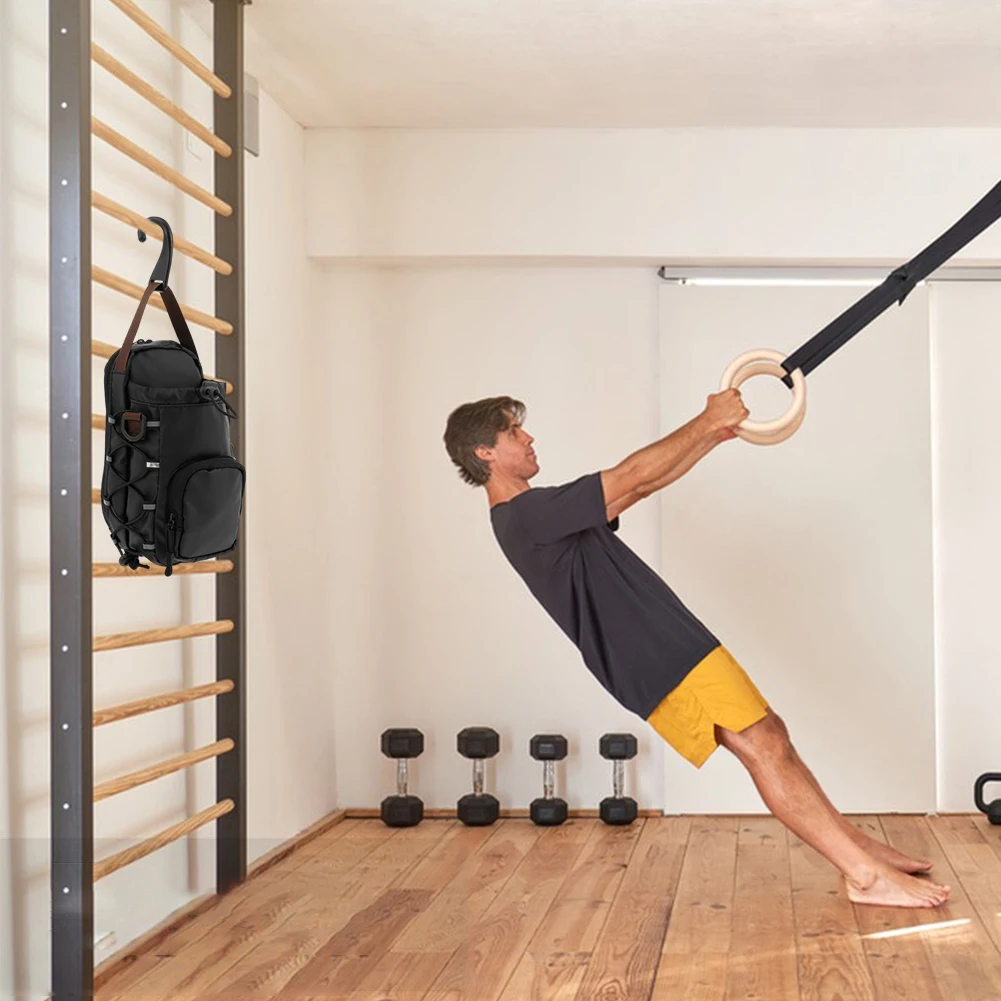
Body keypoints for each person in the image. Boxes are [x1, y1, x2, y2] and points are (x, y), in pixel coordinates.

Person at [443, 392, 951, 909]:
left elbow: (638, 489)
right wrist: (707, 420)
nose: (528, 438)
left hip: (663, 643)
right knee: (764, 744)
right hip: (654, 653)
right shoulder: (525, 514)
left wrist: (712, 435)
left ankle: (858, 849)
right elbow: (633, 474)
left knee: (769, 735)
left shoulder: (537, 515)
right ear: (484, 452)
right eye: (513, 432)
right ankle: (863, 876)